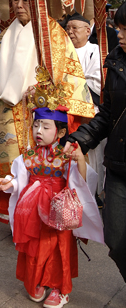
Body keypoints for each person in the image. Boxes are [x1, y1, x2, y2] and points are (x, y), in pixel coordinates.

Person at [0, 0, 95, 224]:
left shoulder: (53, 34)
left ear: (37, 1)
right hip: (10, 112)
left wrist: (45, 89)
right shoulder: (4, 36)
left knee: (42, 168)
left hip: (41, 112)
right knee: (12, 164)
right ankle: (14, 216)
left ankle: (40, 214)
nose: (19, 4)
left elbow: (69, 75)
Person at [0, 80, 104, 308]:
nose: (38, 132)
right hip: (33, 209)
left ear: (61, 131)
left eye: (46, 127)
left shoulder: (66, 155)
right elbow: (20, 178)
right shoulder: (28, 155)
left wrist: (81, 160)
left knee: (58, 247)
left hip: (58, 210)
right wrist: (10, 183)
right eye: (36, 126)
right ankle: (38, 281)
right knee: (35, 246)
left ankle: (59, 288)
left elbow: (81, 182)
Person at [65, 1, 126, 308]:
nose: (120, 33)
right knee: (115, 238)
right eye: (119, 27)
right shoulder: (115, 59)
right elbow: (106, 114)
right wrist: (80, 140)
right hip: (118, 164)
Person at [65, 13, 106, 194]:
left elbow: (98, 81)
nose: (70, 32)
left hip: (91, 112)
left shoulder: (95, 51)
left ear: (88, 31)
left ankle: (95, 192)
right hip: (68, 113)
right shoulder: (64, 52)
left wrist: (73, 82)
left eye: (74, 28)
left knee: (95, 154)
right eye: (68, 29)